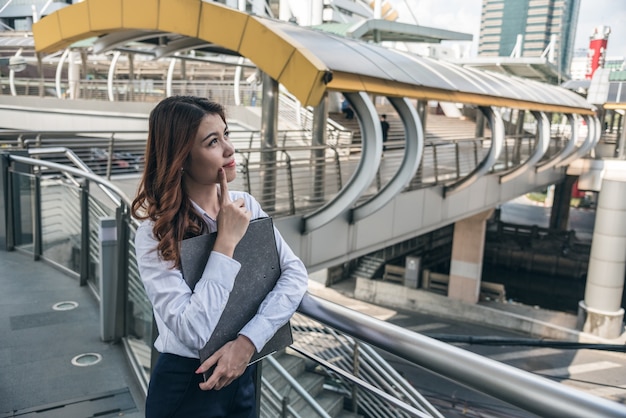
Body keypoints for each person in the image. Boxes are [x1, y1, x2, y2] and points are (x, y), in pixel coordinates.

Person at [131, 96, 308, 418]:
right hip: (187, 383)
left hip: (243, 370)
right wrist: (225, 241)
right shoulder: (155, 232)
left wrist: (247, 343)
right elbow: (193, 331)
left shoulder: (246, 205)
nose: (229, 149)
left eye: (226, 135)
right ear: (181, 157)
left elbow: (294, 274)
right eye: (213, 141)